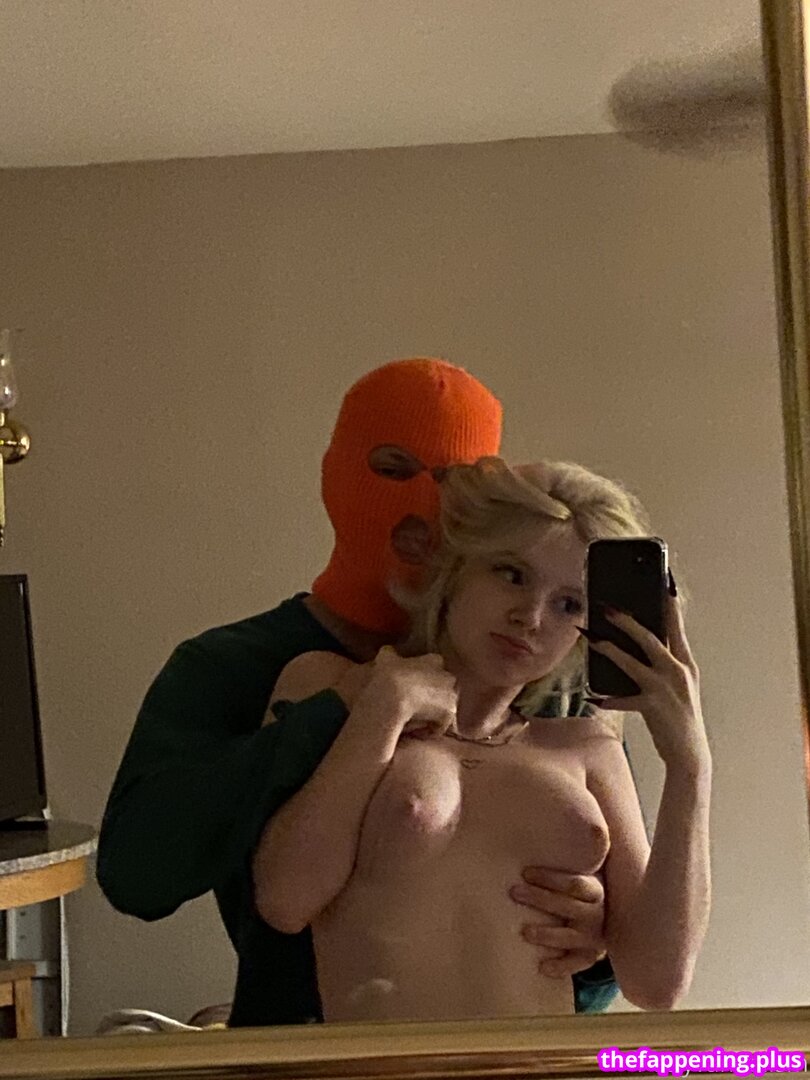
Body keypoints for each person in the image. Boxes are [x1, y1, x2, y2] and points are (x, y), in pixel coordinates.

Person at [96, 359, 616, 1027]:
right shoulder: (231, 666)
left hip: (518, 1050)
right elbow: (137, 874)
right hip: (302, 1050)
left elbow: (603, 943)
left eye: (455, 483)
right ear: (335, 476)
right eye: (393, 468)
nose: (422, 502)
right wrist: (337, 715)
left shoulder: (537, 671)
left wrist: (599, 936)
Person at [253, 458, 711, 1021]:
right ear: (456, 567)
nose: (530, 617)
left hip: (548, 1060)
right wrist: (381, 715)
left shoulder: (589, 747)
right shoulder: (334, 686)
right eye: (511, 574)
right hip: (384, 1060)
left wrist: (690, 764)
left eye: (569, 604)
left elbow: (658, 985)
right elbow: (284, 901)